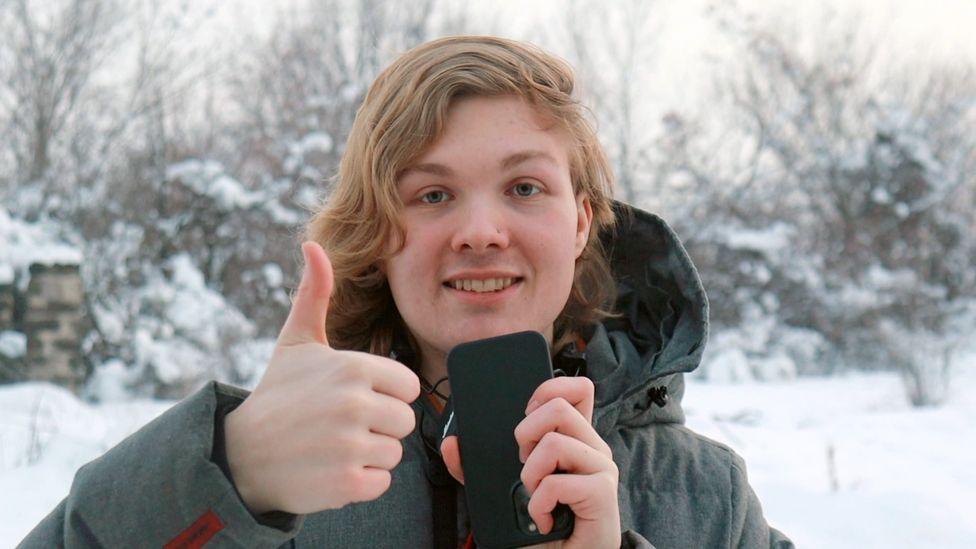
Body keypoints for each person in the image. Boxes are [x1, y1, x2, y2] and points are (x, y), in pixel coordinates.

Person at [21, 36, 794, 548]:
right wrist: (227, 475)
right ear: (377, 230)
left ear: (583, 220)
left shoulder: (704, 500)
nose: (481, 229)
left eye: (525, 186)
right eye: (431, 195)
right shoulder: (281, 473)